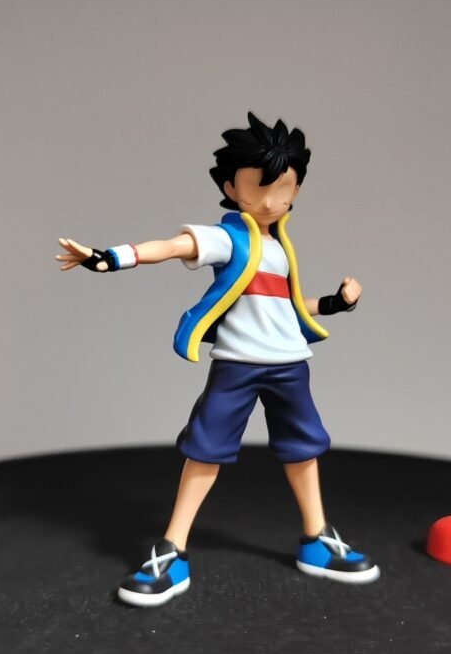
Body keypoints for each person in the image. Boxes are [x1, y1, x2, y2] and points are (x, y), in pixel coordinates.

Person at [55, 112, 379, 606]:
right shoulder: (229, 238)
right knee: (205, 449)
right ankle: (171, 550)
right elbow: (171, 246)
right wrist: (110, 257)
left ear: (296, 189)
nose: (270, 200)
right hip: (239, 364)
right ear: (231, 187)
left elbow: (289, 308)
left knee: (303, 447)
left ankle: (317, 539)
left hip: (290, 362)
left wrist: (335, 303)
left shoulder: (280, 248)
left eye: (283, 189)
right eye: (258, 188)